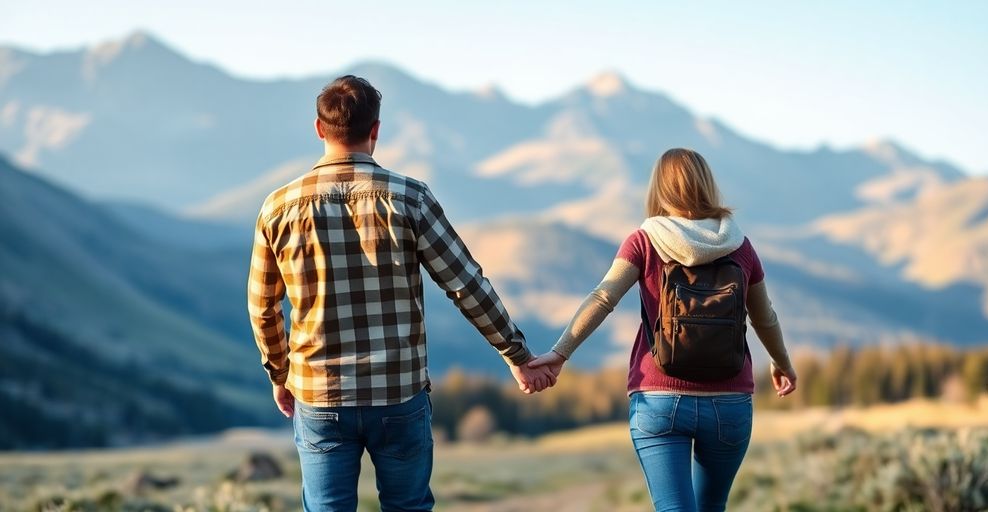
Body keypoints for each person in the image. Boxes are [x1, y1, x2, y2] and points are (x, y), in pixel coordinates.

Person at [247, 75, 555, 511]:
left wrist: (280, 374)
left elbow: (262, 307)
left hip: (318, 394)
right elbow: (465, 284)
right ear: (375, 130)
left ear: (319, 129)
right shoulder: (411, 198)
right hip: (398, 392)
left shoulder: (277, 207)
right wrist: (517, 355)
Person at [529, 148, 797, 511]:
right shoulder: (740, 245)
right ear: (707, 186)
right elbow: (765, 317)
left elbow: (603, 297)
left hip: (659, 398)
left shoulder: (645, 241)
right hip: (730, 401)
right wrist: (782, 363)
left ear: (660, 189)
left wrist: (561, 353)